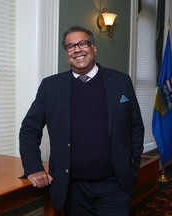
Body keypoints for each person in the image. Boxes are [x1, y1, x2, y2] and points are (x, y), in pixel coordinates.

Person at [19, 25, 144, 216]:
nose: (77, 49)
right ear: (67, 53)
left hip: (114, 185)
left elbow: (135, 126)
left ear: (94, 48)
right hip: (72, 188)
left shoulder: (120, 82)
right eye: (70, 46)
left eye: (83, 43)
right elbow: (29, 129)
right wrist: (34, 168)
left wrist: (132, 165)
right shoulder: (51, 87)